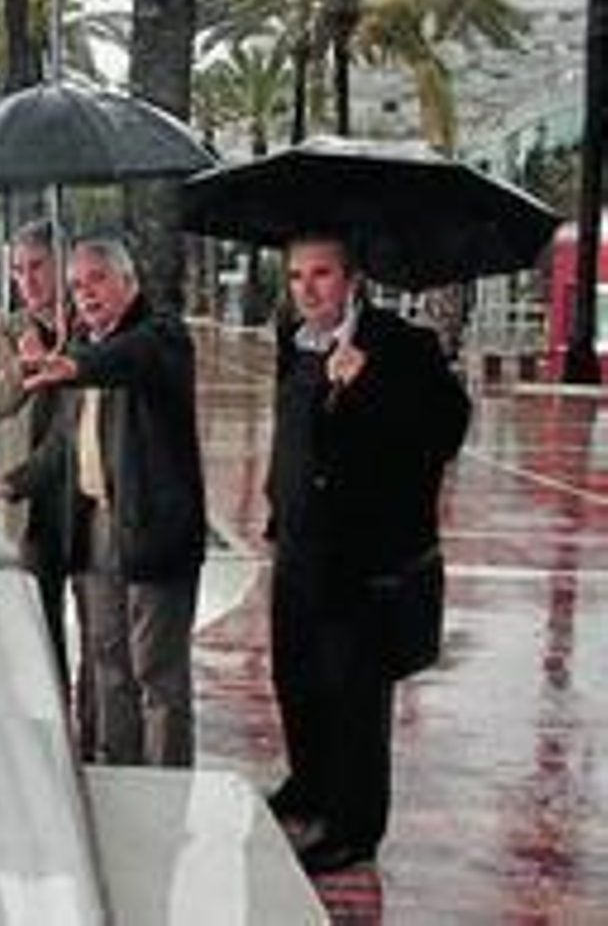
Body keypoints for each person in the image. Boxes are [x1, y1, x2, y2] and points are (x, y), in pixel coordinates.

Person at [263, 235, 470, 874]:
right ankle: (310, 785)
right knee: (296, 679)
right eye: (296, 275)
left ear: (352, 278)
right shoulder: (293, 343)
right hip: (298, 546)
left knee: (354, 697)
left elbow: (446, 430)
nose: (307, 288)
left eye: (321, 274)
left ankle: (354, 827)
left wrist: (371, 382)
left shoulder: (400, 345)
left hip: (362, 557)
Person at [0, 237, 206, 767]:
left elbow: (131, 357)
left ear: (129, 282)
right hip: (97, 524)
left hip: (153, 528)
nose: (86, 293)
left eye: (97, 279)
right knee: (107, 661)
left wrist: (75, 366)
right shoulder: (83, 346)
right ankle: (114, 770)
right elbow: (64, 445)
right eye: (77, 285)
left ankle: (167, 793)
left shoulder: (162, 336)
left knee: (157, 676)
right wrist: (14, 481)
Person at [0, 219, 83, 713]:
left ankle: (98, 736)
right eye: (17, 270)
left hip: (91, 499)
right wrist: (23, 365)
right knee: (43, 630)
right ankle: (56, 726)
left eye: (37, 266)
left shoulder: (91, 319)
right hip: (34, 502)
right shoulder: (9, 330)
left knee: (104, 637)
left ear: (63, 265)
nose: (27, 280)